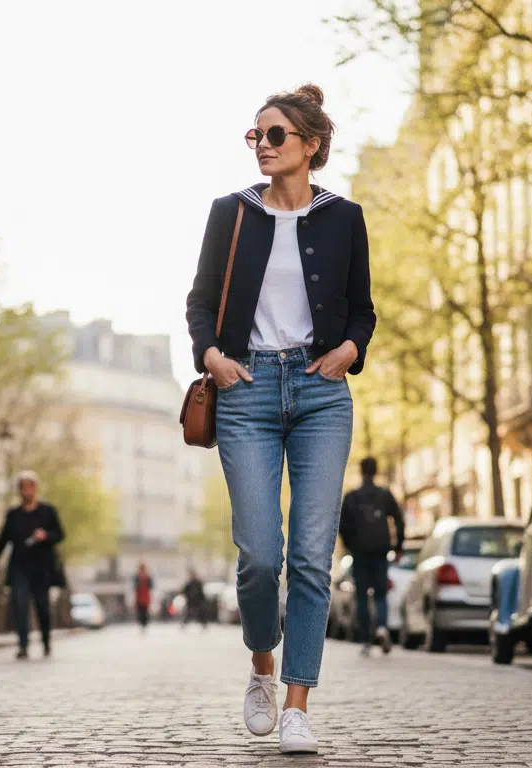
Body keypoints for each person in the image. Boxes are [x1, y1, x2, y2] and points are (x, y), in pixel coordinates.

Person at [185, 83, 375, 756]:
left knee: (312, 558)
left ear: (311, 144)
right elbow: (201, 301)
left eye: (275, 136)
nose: (262, 147)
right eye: (255, 136)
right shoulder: (229, 213)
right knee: (261, 558)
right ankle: (262, 668)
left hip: (322, 392)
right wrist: (212, 354)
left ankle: (298, 703)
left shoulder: (343, 216)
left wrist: (351, 348)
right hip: (248, 390)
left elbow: (361, 308)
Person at [0, 470, 66, 659]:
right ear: (19, 490)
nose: (26, 490)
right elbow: (3, 538)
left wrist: (46, 535)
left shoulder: (48, 512)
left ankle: (46, 641)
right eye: (23, 487)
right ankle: (23, 645)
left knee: (43, 608)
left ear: (35, 488)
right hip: (19, 568)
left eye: (29, 486)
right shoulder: (13, 515)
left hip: (42, 569)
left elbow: (60, 534)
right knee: (19, 606)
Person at [339, 457, 404, 655]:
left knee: (361, 596)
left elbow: (342, 526)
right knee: (381, 593)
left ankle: (366, 640)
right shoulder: (384, 494)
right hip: (380, 551)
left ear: (361, 471)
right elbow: (399, 519)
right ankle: (382, 627)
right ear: (375, 472)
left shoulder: (352, 496)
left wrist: (351, 547)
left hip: (360, 553)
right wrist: (398, 546)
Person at [134, 563, 154, 632]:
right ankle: (142, 625)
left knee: (145, 612)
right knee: (140, 612)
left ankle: (144, 625)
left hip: (145, 598)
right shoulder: (137, 577)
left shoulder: (148, 577)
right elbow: (135, 587)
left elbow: (151, 587)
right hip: (139, 598)